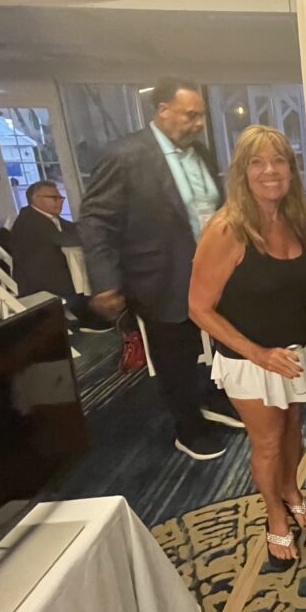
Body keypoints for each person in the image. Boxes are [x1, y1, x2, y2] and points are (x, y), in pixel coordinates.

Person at [80, 76, 241, 461]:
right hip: (160, 276)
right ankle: (189, 429)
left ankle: (215, 397)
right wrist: (105, 282)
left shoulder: (201, 153)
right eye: (190, 115)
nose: (198, 123)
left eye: (201, 115)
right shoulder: (125, 156)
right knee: (176, 358)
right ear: (162, 110)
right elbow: (95, 220)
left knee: (223, 340)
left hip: (214, 271)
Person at [188, 125, 306, 571]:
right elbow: (198, 308)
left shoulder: (293, 217)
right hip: (250, 360)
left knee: (293, 429)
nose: (270, 171)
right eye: (257, 162)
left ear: (291, 170)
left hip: (292, 351)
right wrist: (258, 354)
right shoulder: (227, 228)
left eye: (279, 161)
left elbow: (291, 284)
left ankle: (291, 488)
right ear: (241, 172)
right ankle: (275, 516)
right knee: (267, 442)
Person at [8, 181, 101, 327]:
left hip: (51, 271)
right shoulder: (31, 220)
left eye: (60, 198)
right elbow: (67, 240)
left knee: (91, 270)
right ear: (36, 199)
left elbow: (72, 228)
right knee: (94, 274)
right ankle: (91, 319)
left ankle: (94, 313)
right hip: (40, 281)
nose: (60, 201)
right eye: (54, 198)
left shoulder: (46, 216)